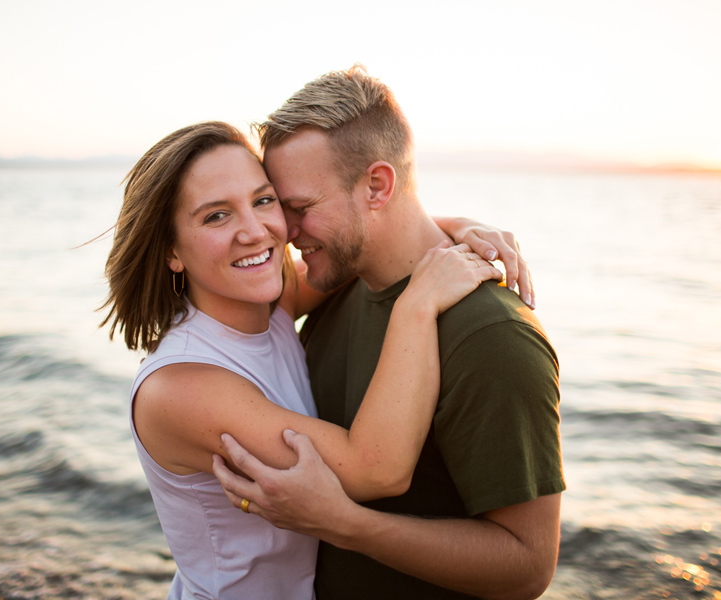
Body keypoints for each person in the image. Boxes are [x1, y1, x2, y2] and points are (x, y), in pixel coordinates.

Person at [99, 120, 524, 599]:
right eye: (216, 216)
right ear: (172, 251)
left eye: (263, 200)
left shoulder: (268, 303)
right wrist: (417, 306)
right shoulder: (183, 388)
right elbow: (376, 469)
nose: (255, 231)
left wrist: (458, 228)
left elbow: (371, 239)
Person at [213, 66, 565, 600]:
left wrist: (345, 523)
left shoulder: (490, 336)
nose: (283, 231)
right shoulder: (337, 285)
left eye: (300, 208)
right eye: (279, 208)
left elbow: (526, 567)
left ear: (378, 185)